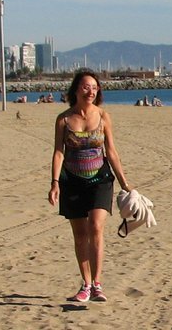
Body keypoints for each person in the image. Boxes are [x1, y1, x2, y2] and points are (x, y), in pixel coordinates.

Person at [47, 69, 132, 303]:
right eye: (86, 87)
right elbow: (58, 152)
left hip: (100, 180)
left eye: (94, 88)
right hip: (72, 181)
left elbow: (111, 152)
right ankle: (85, 284)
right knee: (80, 234)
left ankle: (97, 284)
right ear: (76, 89)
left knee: (95, 226)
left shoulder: (103, 116)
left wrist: (125, 184)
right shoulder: (63, 119)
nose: (91, 91)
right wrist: (54, 183)